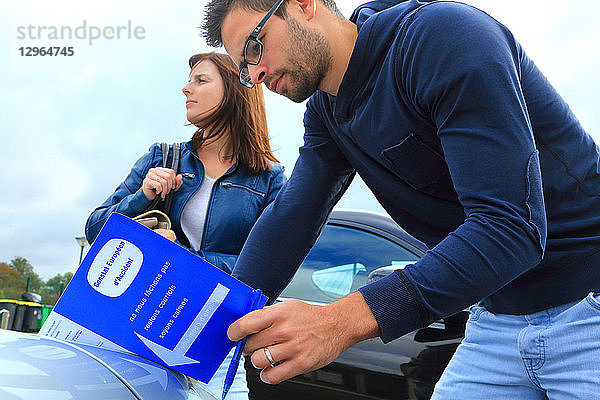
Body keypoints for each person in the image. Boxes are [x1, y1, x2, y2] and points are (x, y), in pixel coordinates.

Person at [202, 0, 600, 398]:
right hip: (498, 317)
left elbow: (511, 228)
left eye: (256, 46)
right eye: (243, 69)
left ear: (303, 6)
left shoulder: (444, 38)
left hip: (589, 305)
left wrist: (338, 321)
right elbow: (291, 217)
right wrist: (210, 331)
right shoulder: (326, 112)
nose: (255, 73)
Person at [85, 52, 286, 399]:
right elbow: (95, 229)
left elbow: (273, 266)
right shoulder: (162, 157)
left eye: (200, 80)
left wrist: (181, 259)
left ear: (237, 89)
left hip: (216, 341)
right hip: (144, 321)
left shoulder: (269, 177)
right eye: (189, 80)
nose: (185, 88)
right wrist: (142, 197)